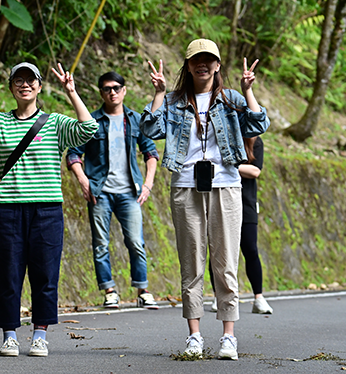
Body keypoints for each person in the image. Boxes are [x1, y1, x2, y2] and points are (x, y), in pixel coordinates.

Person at [0, 61, 97, 358]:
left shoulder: (55, 122)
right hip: (8, 209)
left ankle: (40, 335)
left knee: (45, 275)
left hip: (47, 209)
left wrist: (72, 92)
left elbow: (88, 128)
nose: (25, 84)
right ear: (11, 87)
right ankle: (10, 336)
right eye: (19, 80)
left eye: (31, 80)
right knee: (9, 274)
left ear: (40, 87)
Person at [140, 39, 269, 360]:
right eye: (196, 59)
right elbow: (148, 127)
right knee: (192, 262)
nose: (202, 64)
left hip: (226, 184)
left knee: (226, 262)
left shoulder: (231, 99)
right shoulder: (172, 101)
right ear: (187, 65)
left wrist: (248, 89)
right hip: (185, 185)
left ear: (217, 65)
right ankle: (194, 336)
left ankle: (228, 336)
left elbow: (259, 123)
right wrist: (157, 93)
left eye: (208, 59)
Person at [66, 71, 160, 309]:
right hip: (100, 192)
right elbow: (74, 154)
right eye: (107, 88)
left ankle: (143, 289)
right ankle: (109, 291)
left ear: (124, 90)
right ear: (101, 92)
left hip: (130, 192)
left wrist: (148, 183)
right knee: (100, 243)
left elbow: (151, 152)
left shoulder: (136, 120)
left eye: (117, 87)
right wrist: (83, 180)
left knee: (136, 241)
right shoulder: (91, 121)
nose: (113, 92)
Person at [210, 136, 273, 315]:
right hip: (222, 198)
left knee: (250, 249)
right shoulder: (223, 137)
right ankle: (218, 295)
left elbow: (255, 171)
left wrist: (227, 166)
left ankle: (258, 298)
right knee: (219, 249)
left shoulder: (255, 140)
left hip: (247, 202)